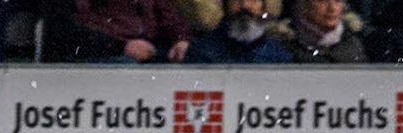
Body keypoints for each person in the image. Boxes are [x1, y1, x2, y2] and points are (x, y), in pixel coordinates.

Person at [46, 0, 193, 60]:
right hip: (111, 50)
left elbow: (168, 14)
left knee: (197, 59)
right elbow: (78, 25)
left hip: (152, 48)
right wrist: (122, 47)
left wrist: (180, 39)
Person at [185, 0, 294, 56]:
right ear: (226, 6)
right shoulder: (202, 52)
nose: (245, 6)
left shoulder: (278, 56)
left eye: (253, 0)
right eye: (236, 0)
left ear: (263, 8)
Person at [274, 0, 368, 59]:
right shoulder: (280, 47)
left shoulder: (353, 46)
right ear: (301, 5)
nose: (332, 8)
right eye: (322, 1)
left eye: (337, 1)